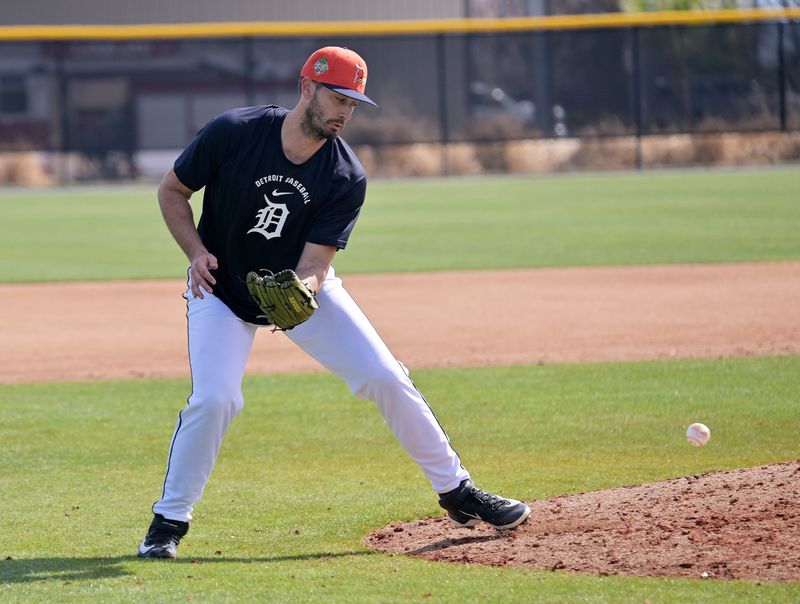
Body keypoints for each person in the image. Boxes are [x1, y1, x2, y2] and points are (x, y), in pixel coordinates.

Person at [137, 46, 530, 559]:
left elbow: (316, 262)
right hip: (222, 291)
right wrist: (195, 252)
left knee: (386, 376)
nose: (346, 112)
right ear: (307, 88)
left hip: (293, 294)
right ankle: (167, 525)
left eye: (354, 103)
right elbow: (172, 191)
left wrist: (302, 290)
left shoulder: (346, 175)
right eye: (338, 97)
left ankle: (458, 492)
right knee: (216, 400)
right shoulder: (234, 131)